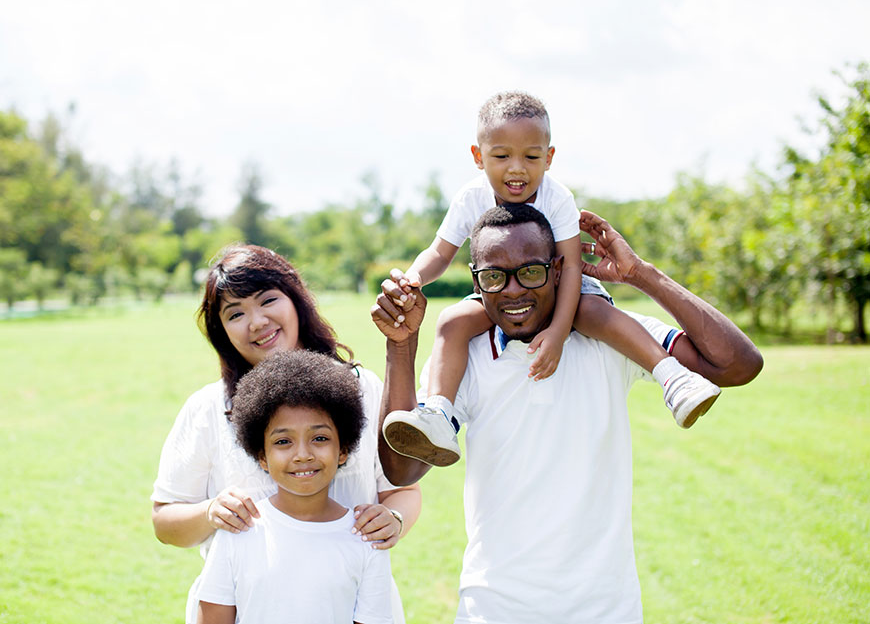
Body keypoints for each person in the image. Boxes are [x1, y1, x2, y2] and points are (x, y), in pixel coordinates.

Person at [371, 205, 763, 624]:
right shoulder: (464, 355)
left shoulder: (612, 333)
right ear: (475, 280)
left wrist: (639, 274)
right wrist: (401, 345)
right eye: (493, 276)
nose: (513, 290)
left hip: (605, 610)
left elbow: (736, 365)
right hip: (492, 608)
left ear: (560, 270)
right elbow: (400, 470)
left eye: (532, 272)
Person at [382, 91, 722, 468]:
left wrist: (558, 333)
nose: (516, 169)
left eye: (531, 156)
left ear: (549, 157)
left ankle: (674, 379)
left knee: (592, 311)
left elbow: (572, 268)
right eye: (501, 156)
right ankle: (440, 415)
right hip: (503, 290)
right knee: (452, 322)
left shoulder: (557, 197)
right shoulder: (470, 198)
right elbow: (440, 254)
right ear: (478, 158)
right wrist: (412, 278)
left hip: (565, 286)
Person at [151, 244, 420, 624]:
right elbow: (165, 520)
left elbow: (403, 490)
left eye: (268, 300)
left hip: (350, 604)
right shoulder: (208, 408)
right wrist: (210, 512)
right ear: (222, 331)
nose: (257, 321)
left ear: (296, 301)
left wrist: (392, 519)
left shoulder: (363, 389)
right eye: (235, 314)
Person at [197, 350, 393, 624]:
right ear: (262, 457)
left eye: (320, 438)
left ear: (343, 450)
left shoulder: (365, 539)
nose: (302, 454)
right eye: (283, 442)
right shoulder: (238, 532)